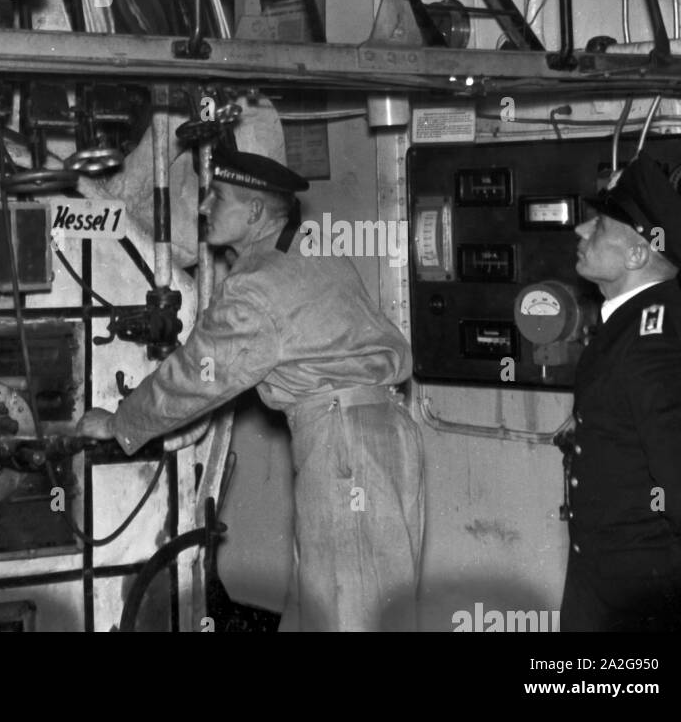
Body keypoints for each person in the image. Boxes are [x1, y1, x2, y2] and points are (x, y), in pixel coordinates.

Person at [77, 143, 424, 631]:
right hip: (382, 435)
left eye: (216, 197)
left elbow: (196, 378)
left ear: (256, 212)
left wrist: (120, 422)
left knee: (351, 611)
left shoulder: (256, 287)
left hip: (344, 449)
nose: (202, 207)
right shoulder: (309, 249)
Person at [561, 152, 681, 632]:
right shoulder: (626, 326)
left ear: (637, 254)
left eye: (599, 226)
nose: (582, 232)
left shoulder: (655, 341)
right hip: (604, 587)